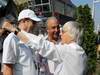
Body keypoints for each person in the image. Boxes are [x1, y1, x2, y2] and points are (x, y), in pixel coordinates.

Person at [2, 21, 87, 75]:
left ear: (71, 34)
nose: (60, 34)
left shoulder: (68, 51)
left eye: (63, 32)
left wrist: (14, 30)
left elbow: (40, 44)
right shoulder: (81, 53)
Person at [2, 9, 41, 75]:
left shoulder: (29, 39)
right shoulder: (12, 39)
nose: (35, 25)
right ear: (24, 21)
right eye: (33, 22)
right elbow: (7, 68)